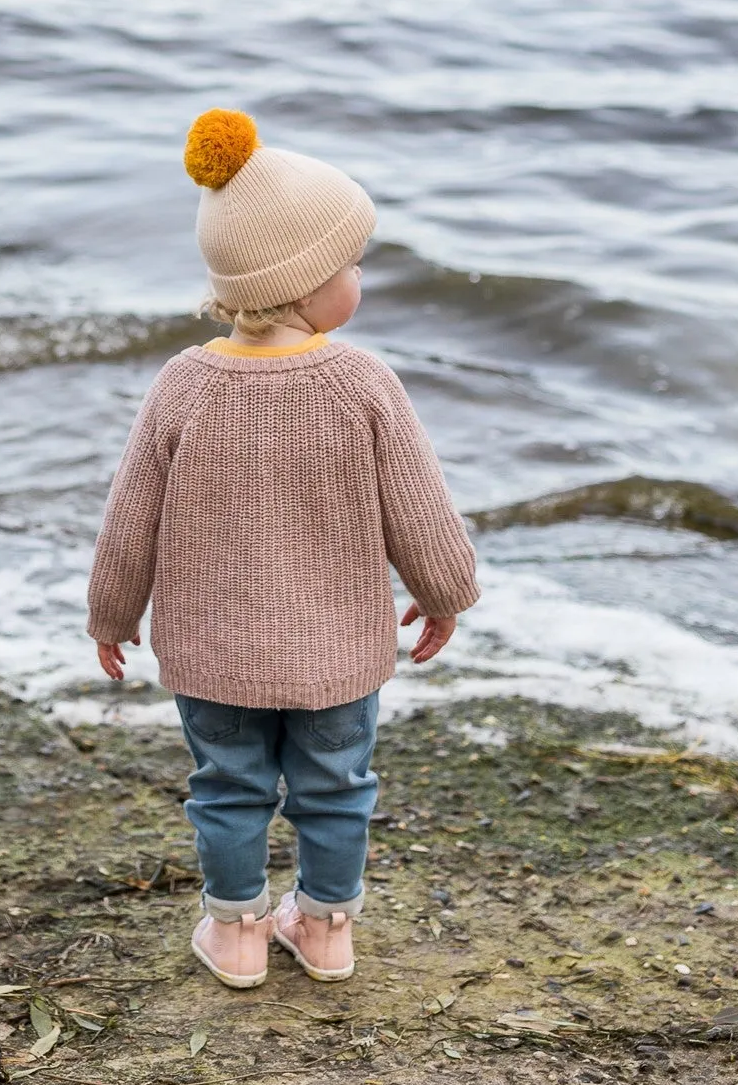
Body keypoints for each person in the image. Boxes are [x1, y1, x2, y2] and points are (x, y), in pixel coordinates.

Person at [87, 109, 476, 989]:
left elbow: (129, 519)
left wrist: (110, 613)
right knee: (338, 786)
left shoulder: (182, 385)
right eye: (352, 265)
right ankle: (327, 929)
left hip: (213, 653)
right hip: (337, 653)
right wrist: (446, 591)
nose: (361, 280)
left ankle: (236, 937)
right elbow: (419, 506)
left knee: (226, 788)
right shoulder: (362, 382)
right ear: (303, 285)